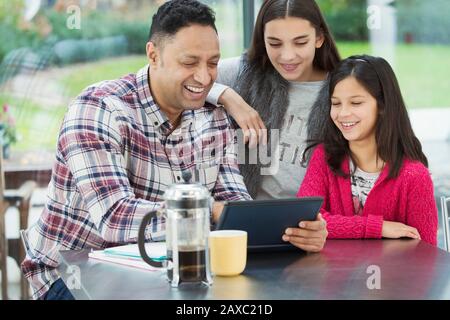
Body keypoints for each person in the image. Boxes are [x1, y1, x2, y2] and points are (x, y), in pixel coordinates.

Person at [21, 0, 251, 300]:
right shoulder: (99, 109)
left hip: (166, 270)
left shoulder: (213, 115)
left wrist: (280, 227)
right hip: (73, 274)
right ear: (153, 55)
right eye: (190, 62)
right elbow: (114, 218)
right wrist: (210, 213)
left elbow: (232, 198)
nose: (205, 77)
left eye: (212, 63)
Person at [207, 0, 336, 251]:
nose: (287, 56)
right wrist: (228, 97)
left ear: (319, 38)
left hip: (312, 233)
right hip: (242, 229)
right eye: (274, 43)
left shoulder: (342, 87)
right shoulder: (244, 72)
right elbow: (167, 74)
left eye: (300, 42)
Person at [297, 55, 438, 245]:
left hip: (394, 275)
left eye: (356, 103)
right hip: (332, 274)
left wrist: (333, 226)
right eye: (336, 103)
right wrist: (377, 227)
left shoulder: (415, 176)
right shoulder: (324, 157)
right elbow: (306, 221)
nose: (343, 113)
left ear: (383, 106)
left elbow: (427, 256)